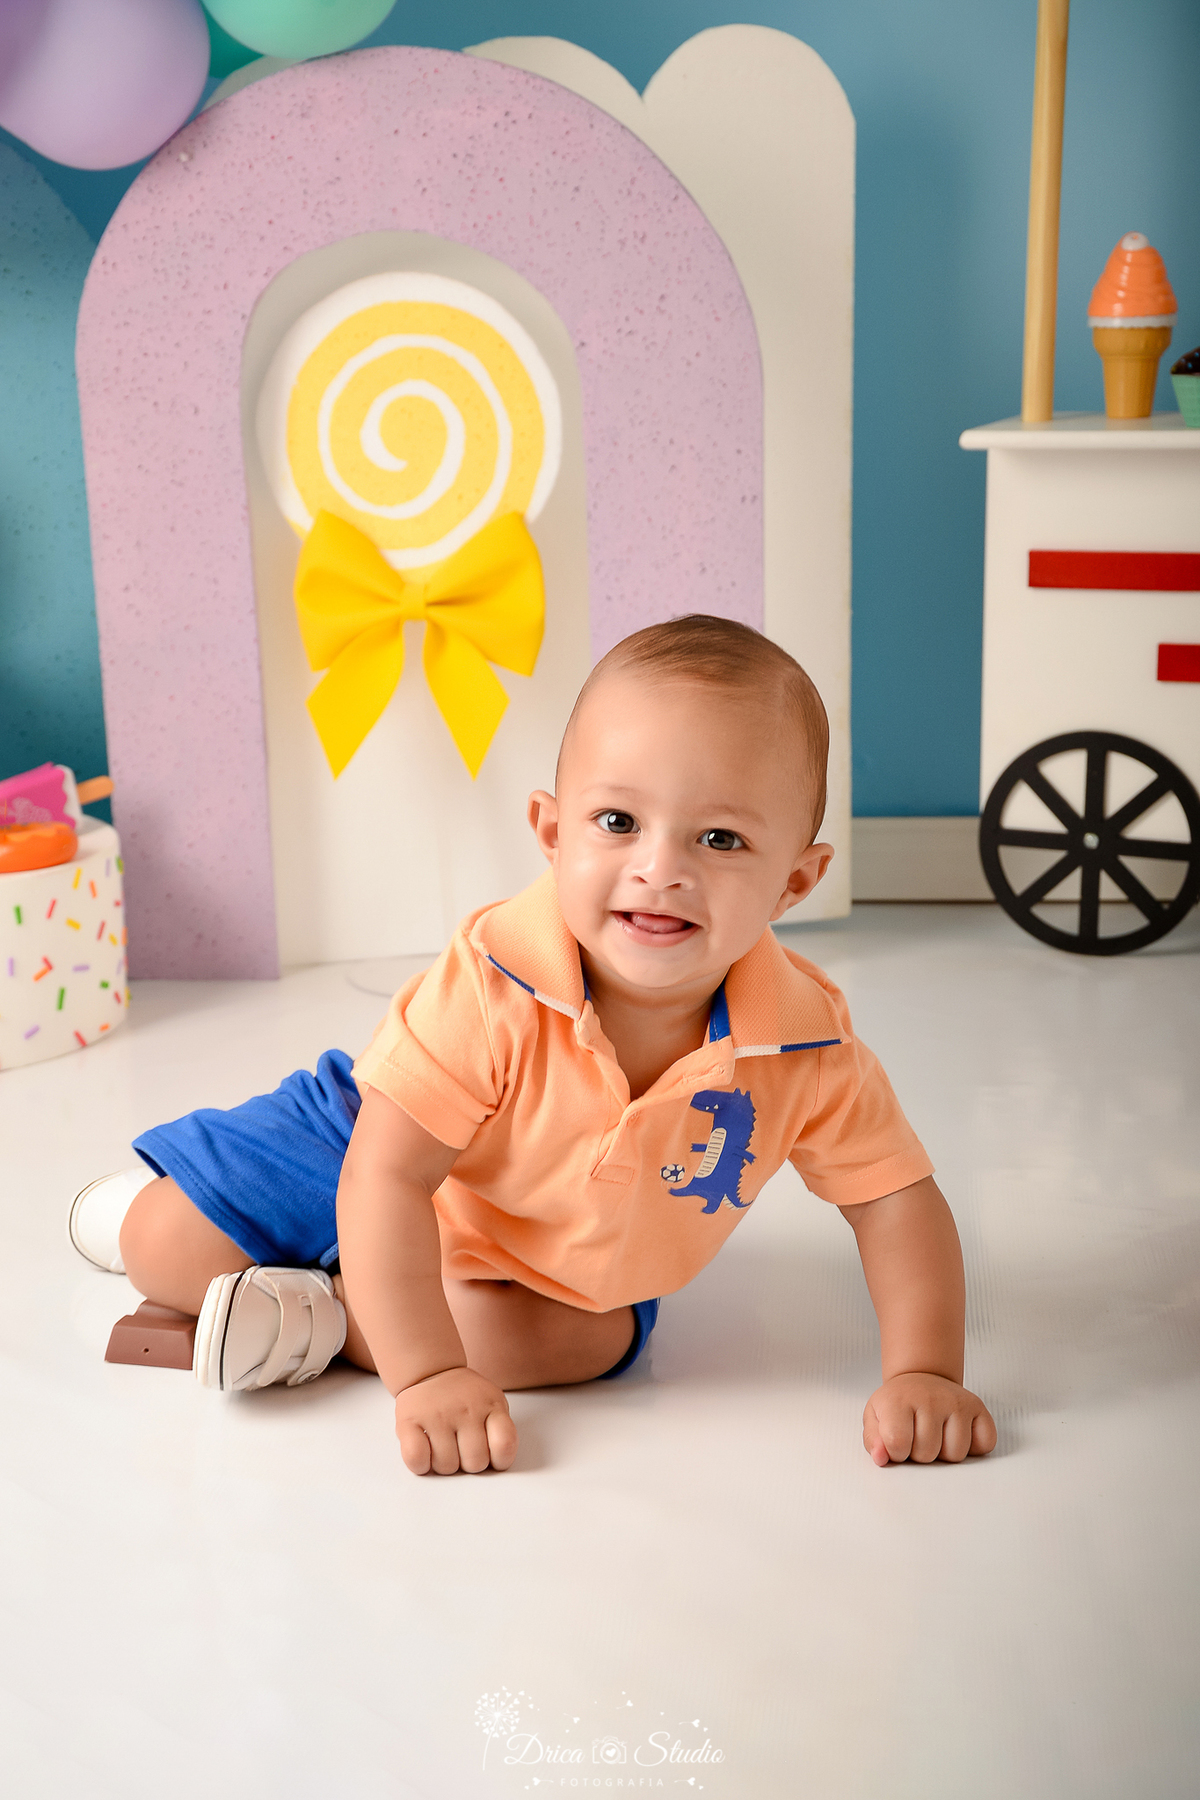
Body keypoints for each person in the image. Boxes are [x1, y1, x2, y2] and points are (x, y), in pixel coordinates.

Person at [70, 616, 996, 1476]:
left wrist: (927, 1372)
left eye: (720, 838)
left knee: (583, 1346)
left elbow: (895, 1202)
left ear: (795, 881)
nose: (660, 869)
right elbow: (387, 1176)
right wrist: (426, 1374)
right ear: (553, 832)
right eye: (618, 822)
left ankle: (327, 1317)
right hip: (375, 1139)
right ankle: (146, 1215)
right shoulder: (496, 979)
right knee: (164, 1245)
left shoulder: (805, 1047)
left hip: (545, 1259)